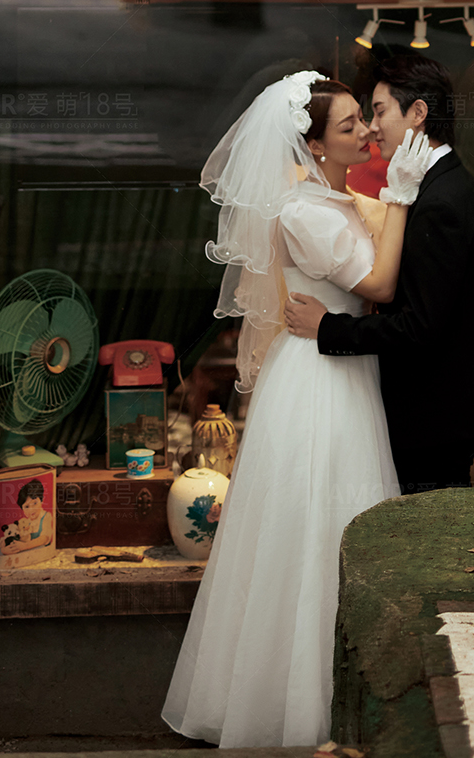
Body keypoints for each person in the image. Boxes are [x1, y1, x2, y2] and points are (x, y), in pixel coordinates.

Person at [162, 70, 431, 750]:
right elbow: (378, 284)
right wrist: (400, 197)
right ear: (313, 145)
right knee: (316, 521)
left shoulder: (333, 199)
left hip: (341, 361)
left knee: (336, 516)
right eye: (348, 125)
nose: (365, 131)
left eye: (363, 118)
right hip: (319, 379)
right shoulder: (303, 211)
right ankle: (295, 704)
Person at [285, 53, 474, 495]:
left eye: (380, 111)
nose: (373, 128)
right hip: (433, 409)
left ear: (418, 113)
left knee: (426, 530)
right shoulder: (440, 185)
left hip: (434, 414)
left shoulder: (441, 202)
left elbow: (419, 326)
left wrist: (328, 327)